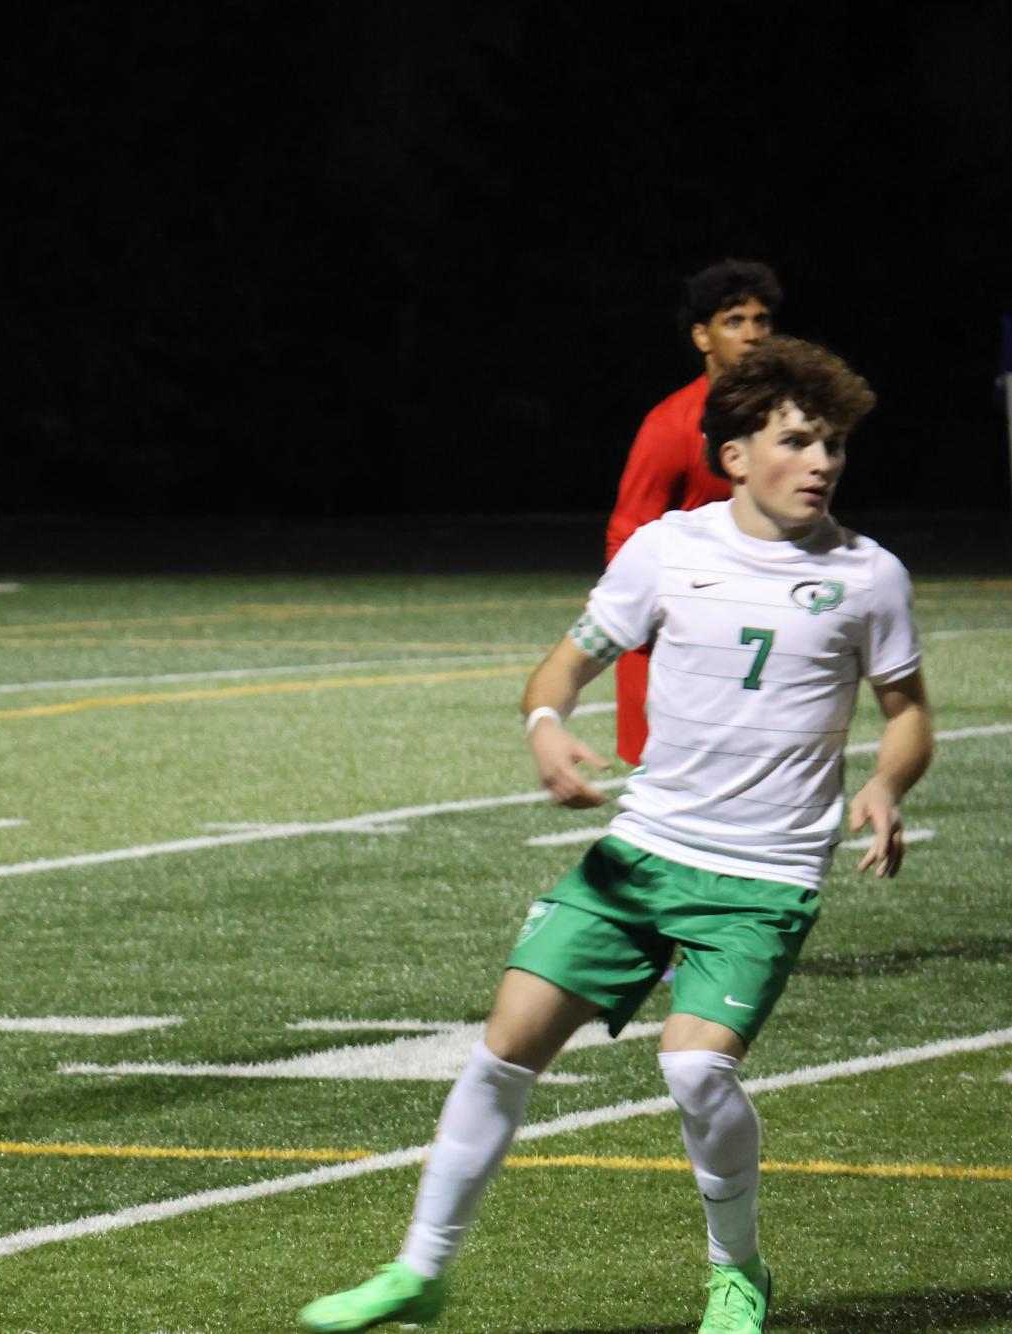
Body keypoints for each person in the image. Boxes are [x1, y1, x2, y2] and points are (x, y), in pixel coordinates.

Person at [301, 337, 933, 1333]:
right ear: (733, 455)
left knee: (693, 1066)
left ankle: (737, 1271)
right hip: (640, 854)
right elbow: (558, 671)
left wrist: (889, 784)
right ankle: (420, 1270)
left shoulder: (868, 576)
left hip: (761, 875)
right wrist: (547, 731)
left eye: (836, 445)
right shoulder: (666, 552)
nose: (823, 463)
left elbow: (907, 710)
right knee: (504, 1046)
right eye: (799, 440)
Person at [607, 260, 782, 766]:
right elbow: (626, 535)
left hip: (762, 622)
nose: (752, 334)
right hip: (685, 626)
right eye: (735, 321)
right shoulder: (670, 425)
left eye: (761, 320)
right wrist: (648, 621)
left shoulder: (787, 421)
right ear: (702, 337)